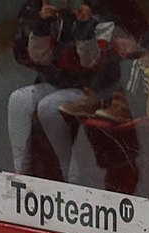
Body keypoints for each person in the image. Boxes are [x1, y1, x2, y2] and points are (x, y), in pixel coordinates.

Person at [7, 1, 116, 181]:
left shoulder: (101, 14)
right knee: (19, 100)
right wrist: (42, 23)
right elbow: (38, 57)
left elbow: (90, 62)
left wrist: (84, 26)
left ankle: (68, 176)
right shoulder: (52, 14)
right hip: (58, 83)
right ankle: (21, 175)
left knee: (49, 108)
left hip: (93, 90)